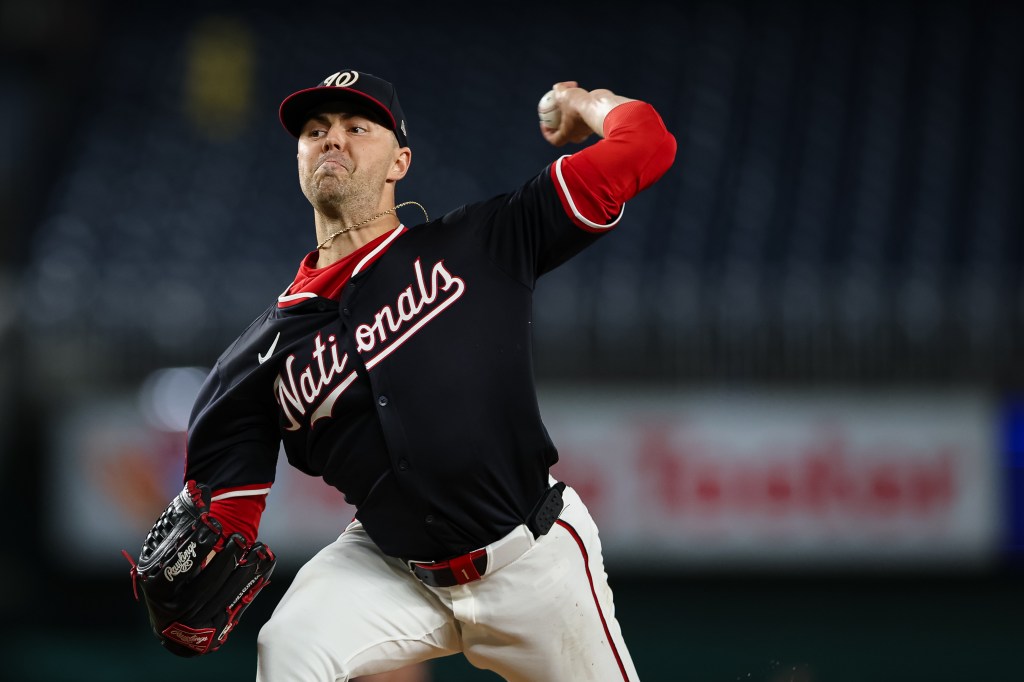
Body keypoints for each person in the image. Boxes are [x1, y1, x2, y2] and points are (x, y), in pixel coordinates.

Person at [182, 69, 675, 681]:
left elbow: (647, 144)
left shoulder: (482, 242)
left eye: (357, 127)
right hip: (390, 570)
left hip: (534, 565)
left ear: (399, 162)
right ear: (300, 159)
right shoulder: (259, 360)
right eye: (315, 131)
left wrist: (583, 102)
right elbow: (224, 515)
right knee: (289, 647)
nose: (332, 139)